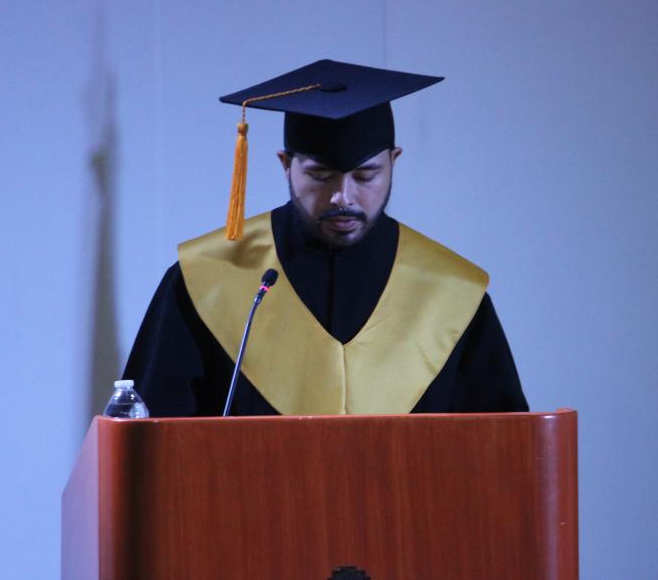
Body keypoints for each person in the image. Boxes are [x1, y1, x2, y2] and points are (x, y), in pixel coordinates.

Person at [123, 60, 528, 416]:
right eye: (320, 175)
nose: (342, 197)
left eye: (366, 175)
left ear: (394, 161)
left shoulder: (451, 291)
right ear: (286, 164)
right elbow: (153, 442)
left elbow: (503, 448)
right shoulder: (207, 278)